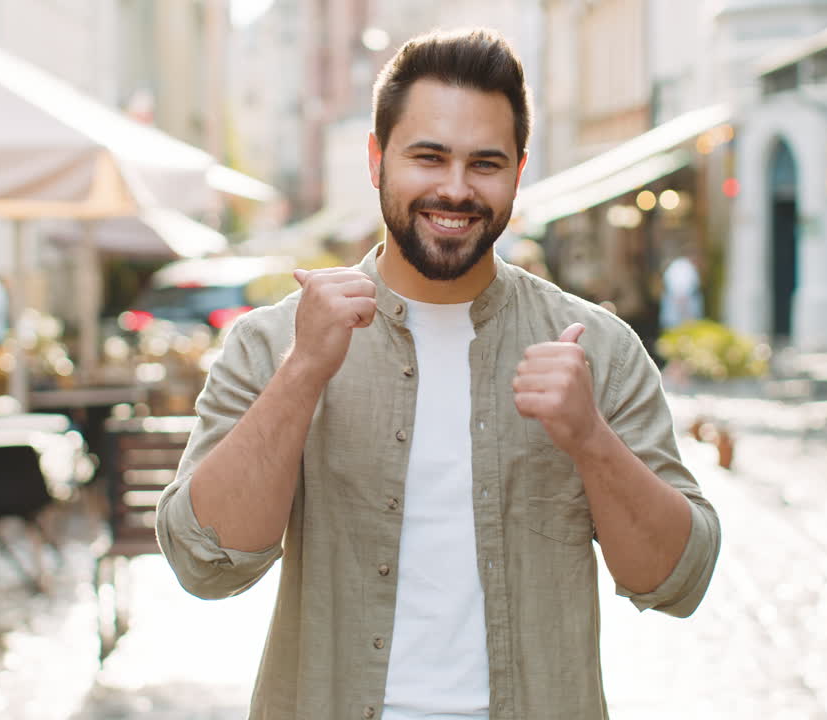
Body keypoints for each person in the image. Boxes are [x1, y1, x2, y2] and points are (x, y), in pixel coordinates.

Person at [156, 28, 720, 720]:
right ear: (376, 159)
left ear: (518, 168)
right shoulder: (275, 341)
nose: (455, 189)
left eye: (485, 164)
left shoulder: (595, 349)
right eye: (429, 157)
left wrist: (591, 440)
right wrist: (302, 374)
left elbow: (676, 581)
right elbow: (204, 562)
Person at [660, 251, 704, 331]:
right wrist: (688, 320)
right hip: (679, 323)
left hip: (673, 320)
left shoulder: (677, 267)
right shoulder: (685, 269)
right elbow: (681, 296)